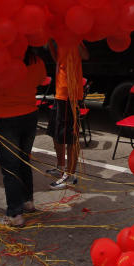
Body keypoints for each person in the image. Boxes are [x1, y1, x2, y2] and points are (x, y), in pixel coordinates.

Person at [0, 47, 46, 227]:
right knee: (24, 161)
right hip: (30, 115)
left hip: (7, 118)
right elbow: (40, 80)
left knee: (10, 168)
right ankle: (27, 201)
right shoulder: (36, 60)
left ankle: (15, 214)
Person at [48, 41, 87, 190]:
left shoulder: (73, 37)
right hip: (60, 93)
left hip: (70, 94)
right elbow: (57, 60)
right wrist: (51, 42)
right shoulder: (56, 39)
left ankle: (70, 175)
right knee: (55, 133)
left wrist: (73, 39)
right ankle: (60, 167)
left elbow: (85, 55)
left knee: (70, 136)